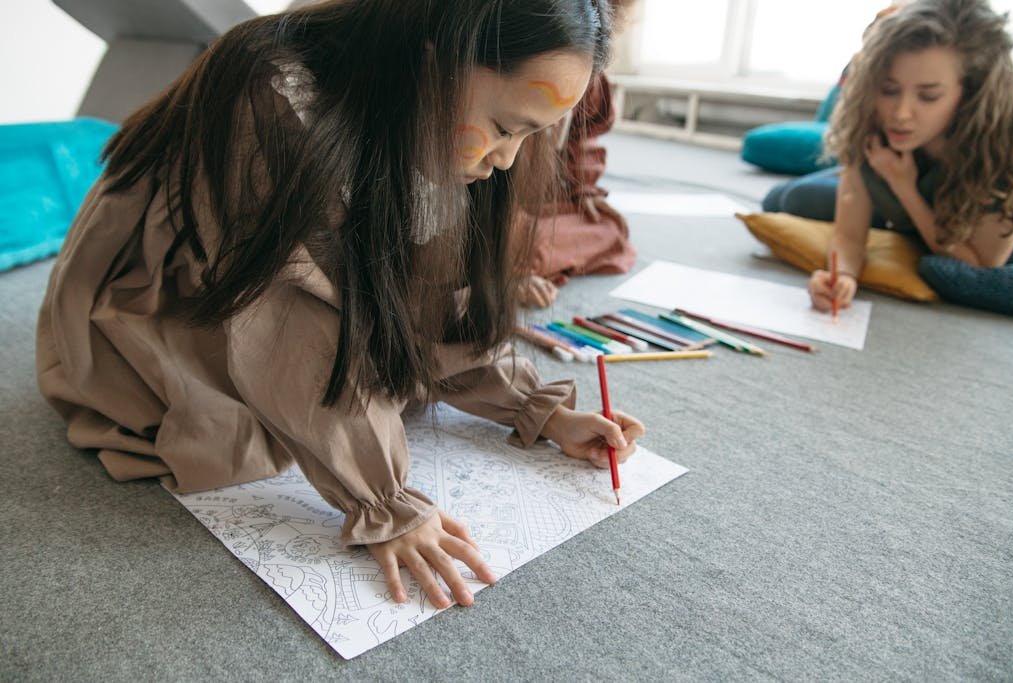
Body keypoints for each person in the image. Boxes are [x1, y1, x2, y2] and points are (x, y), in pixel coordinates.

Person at [36, 0, 645, 611]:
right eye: (508, 127)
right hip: (176, 291)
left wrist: (530, 406)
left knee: (380, 373)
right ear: (435, 59)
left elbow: (432, 292)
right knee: (235, 440)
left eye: (531, 135)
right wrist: (382, 500)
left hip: (285, 278)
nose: (509, 158)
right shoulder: (272, 93)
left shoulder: (438, 122)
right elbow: (284, 320)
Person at [764, 0, 1013, 317]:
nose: (900, 115)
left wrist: (904, 187)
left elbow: (981, 263)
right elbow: (848, 235)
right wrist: (843, 275)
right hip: (901, 211)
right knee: (784, 199)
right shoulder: (871, 117)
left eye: (928, 96)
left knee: (949, 272)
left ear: (971, 91)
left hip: (961, 227)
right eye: (889, 90)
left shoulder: (1009, 144)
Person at [516, 0, 638, 308]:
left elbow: (585, 139)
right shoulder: (520, 50)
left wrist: (585, 188)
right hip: (493, 205)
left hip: (546, 202)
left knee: (611, 228)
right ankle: (503, 262)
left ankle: (521, 256)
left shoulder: (588, 73)